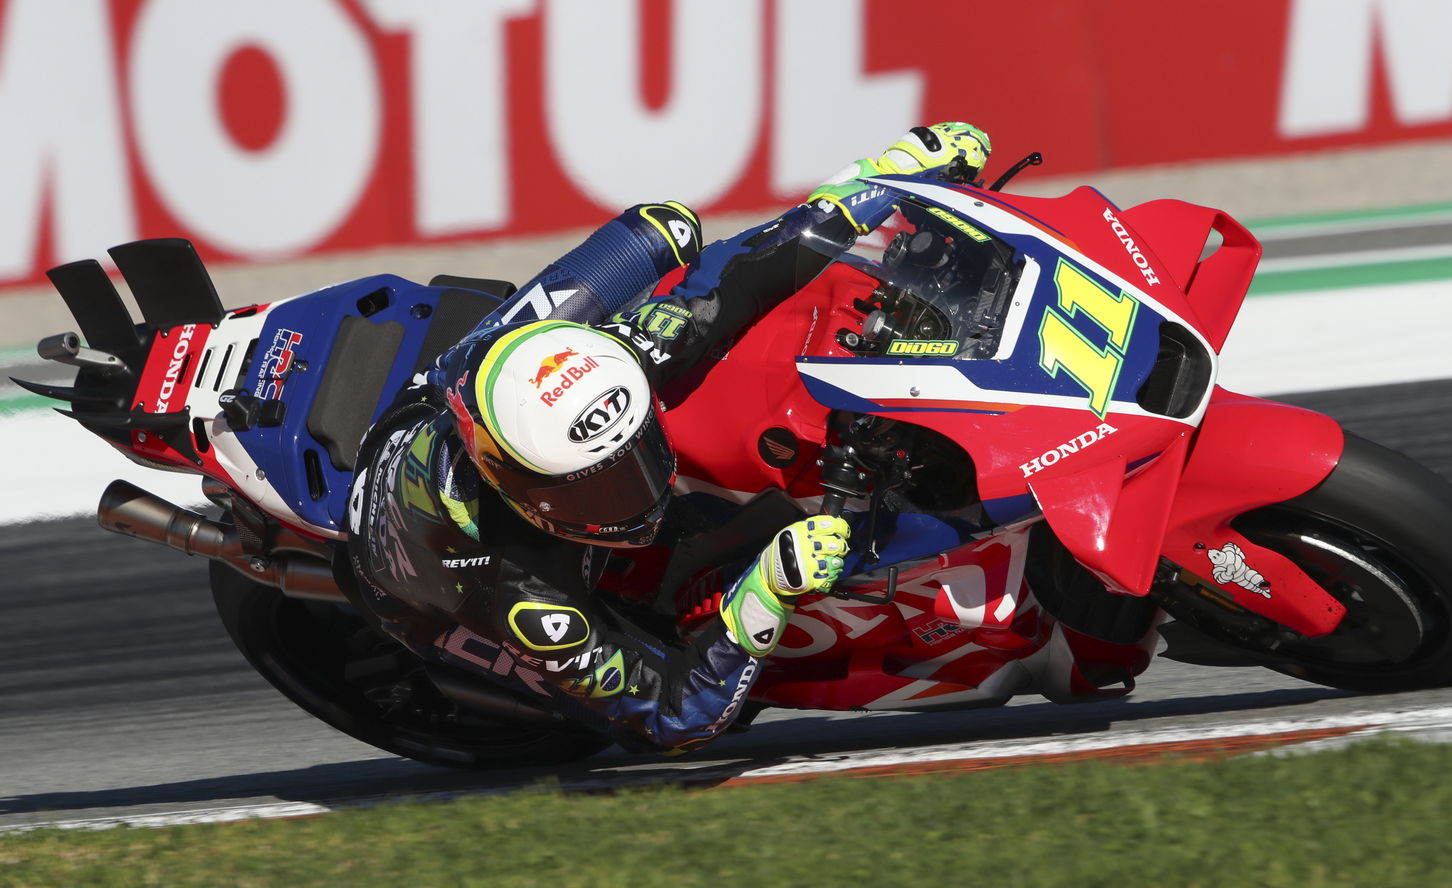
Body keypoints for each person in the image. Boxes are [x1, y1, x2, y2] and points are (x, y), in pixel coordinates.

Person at [342, 123, 992, 754]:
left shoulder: (617, 358)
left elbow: (755, 263)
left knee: (665, 230)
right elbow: (675, 716)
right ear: (521, 489)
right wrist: (766, 589)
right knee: (618, 659)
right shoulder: (515, 590)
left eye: (633, 457)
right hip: (412, 573)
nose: (638, 493)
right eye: (596, 486)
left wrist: (884, 178)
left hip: (459, 382)